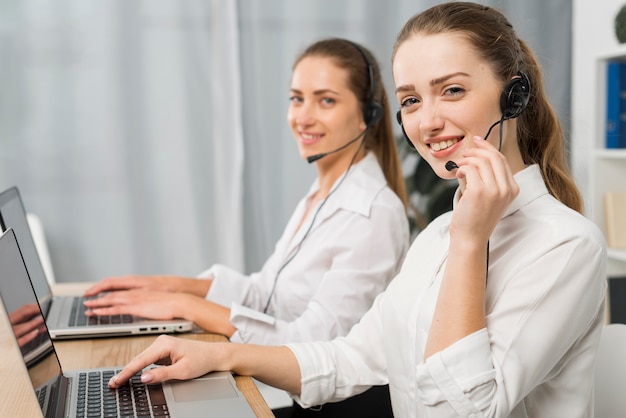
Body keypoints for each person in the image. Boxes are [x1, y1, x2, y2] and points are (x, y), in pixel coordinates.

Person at [107, 3, 607, 416]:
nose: (428, 121)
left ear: (514, 95)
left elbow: (460, 411)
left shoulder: (565, 245)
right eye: (411, 100)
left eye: (451, 90)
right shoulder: (438, 235)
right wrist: (219, 355)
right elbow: (352, 357)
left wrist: (471, 242)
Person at [86, 38, 409, 416]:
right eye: (296, 98)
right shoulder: (325, 192)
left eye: (326, 100)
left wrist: (184, 305)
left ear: (366, 116)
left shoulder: (371, 213)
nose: (302, 116)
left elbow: (311, 344)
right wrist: (174, 287)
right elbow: (267, 293)